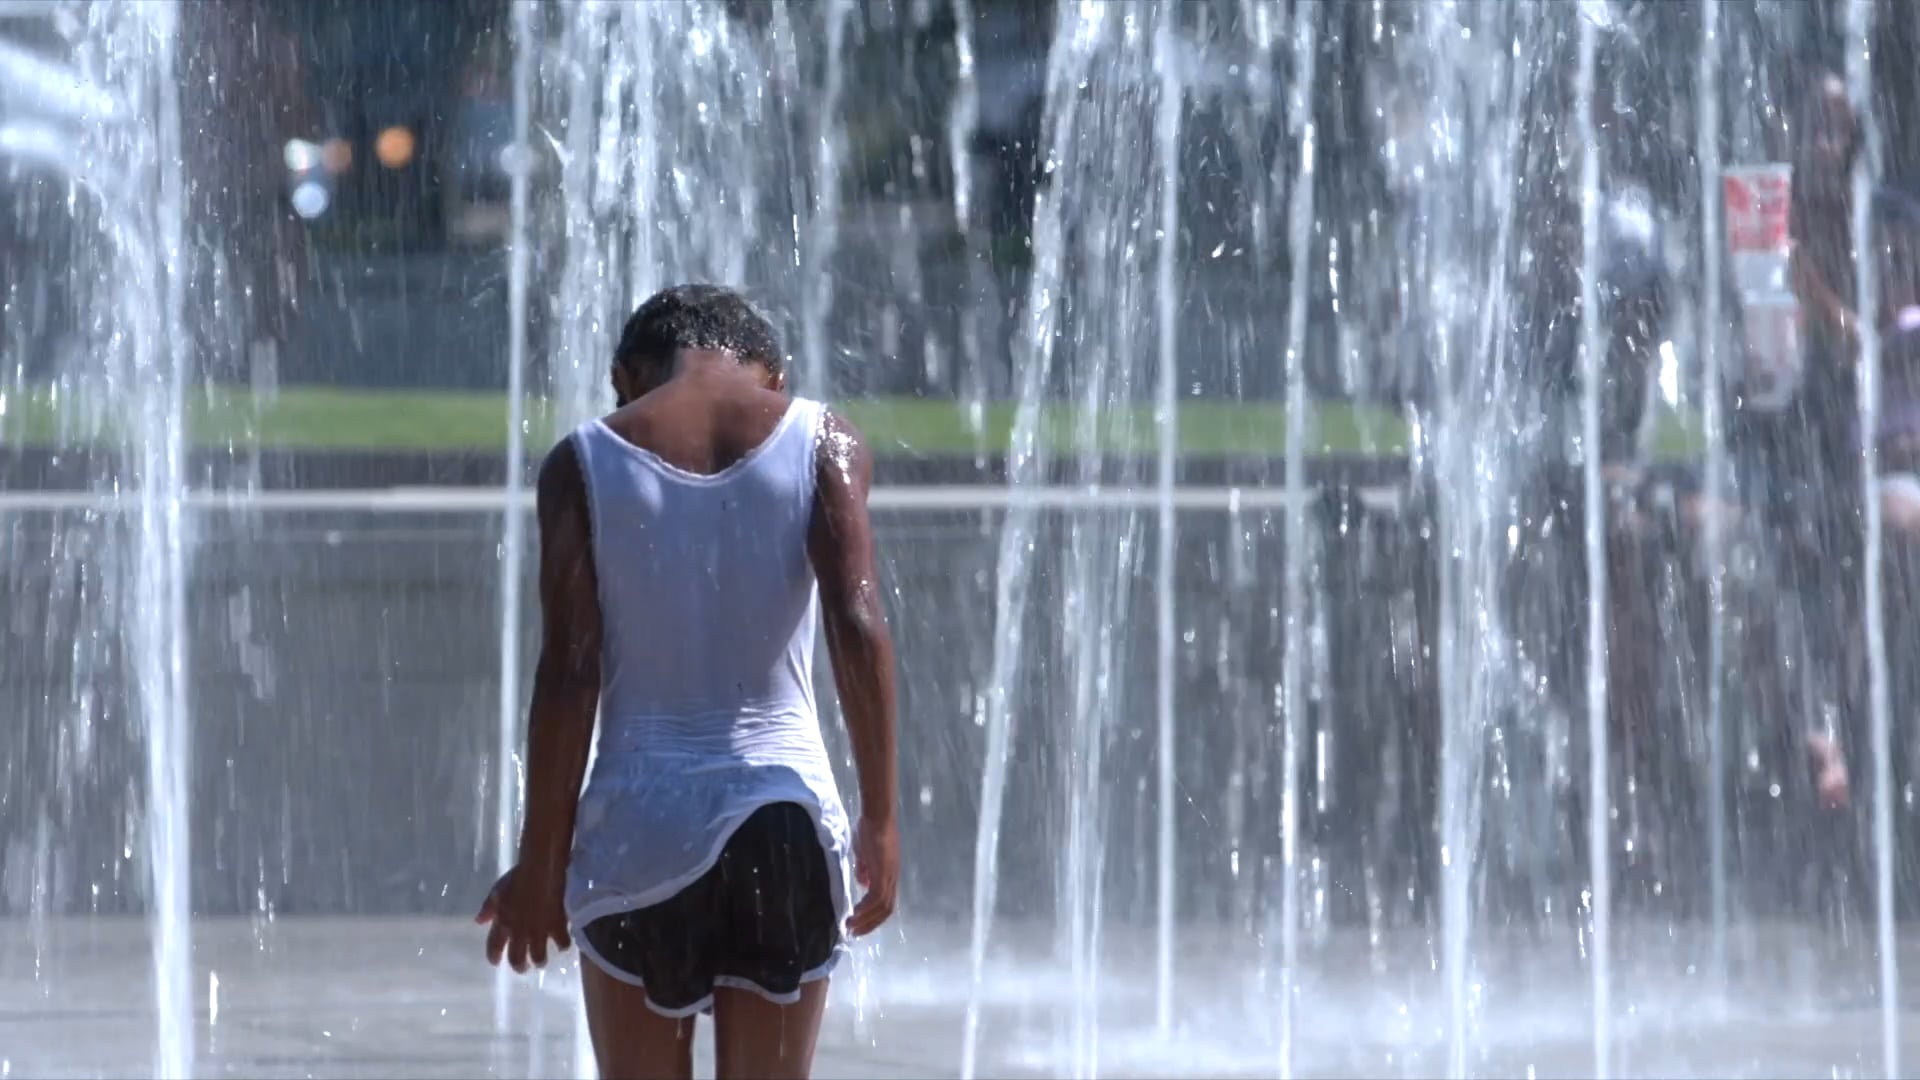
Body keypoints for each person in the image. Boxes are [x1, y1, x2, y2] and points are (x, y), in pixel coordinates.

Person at [475, 285, 901, 1080]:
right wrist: (880, 818)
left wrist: (542, 863)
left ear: (625, 377)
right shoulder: (821, 440)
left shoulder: (582, 461)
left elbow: (569, 673)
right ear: (773, 374)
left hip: (639, 826)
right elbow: (858, 621)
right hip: (785, 823)